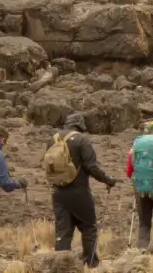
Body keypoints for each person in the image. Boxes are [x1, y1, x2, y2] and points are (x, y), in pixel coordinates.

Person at [47, 112, 117, 264]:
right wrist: (108, 180)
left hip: (58, 192)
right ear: (80, 125)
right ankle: (90, 264)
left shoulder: (53, 139)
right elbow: (91, 167)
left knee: (63, 232)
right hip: (79, 192)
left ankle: (61, 266)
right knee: (89, 228)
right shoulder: (82, 139)